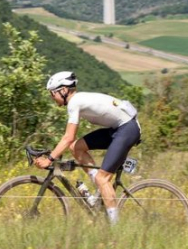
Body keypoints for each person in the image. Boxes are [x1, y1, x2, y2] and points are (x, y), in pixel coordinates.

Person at [34, 71, 140, 224]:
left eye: (53, 93)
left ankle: (115, 229)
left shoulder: (74, 102)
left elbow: (68, 136)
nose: (52, 97)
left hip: (127, 129)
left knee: (102, 178)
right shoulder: (77, 100)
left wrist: (50, 159)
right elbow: (70, 141)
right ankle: (97, 195)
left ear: (63, 90)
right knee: (76, 147)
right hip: (118, 128)